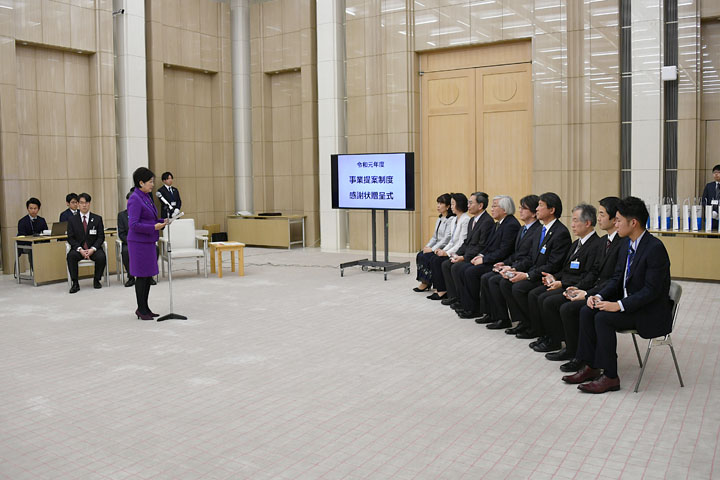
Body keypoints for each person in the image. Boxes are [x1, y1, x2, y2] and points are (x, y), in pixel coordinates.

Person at [563, 196, 672, 394]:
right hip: (631, 304)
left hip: (649, 311)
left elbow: (651, 291)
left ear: (633, 222)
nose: (616, 223)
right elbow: (616, 279)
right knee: (589, 310)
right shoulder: (627, 245)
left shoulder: (654, 248)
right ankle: (591, 365)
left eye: (619, 220)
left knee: (604, 318)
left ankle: (611, 377)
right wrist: (599, 296)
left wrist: (619, 305)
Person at [547, 197, 623, 371]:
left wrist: (588, 293)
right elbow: (595, 272)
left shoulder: (621, 243)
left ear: (614, 218)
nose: (599, 218)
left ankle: (580, 355)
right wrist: (580, 288)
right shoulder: (605, 241)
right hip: (596, 289)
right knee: (561, 302)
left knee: (572, 308)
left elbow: (614, 279)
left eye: (602, 214)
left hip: (610, 294)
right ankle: (575, 351)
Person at [524, 203, 603, 353]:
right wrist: (553, 277)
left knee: (548, 300)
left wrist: (562, 283)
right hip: (566, 282)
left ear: (587, 223)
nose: (572, 225)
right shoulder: (576, 244)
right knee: (537, 294)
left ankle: (558, 341)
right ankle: (549, 335)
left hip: (578, 287)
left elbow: (588, 275)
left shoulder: (596, 245)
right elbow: (565, 269)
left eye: (575, 220)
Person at [499, 192, 572, 337]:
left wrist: (527, 275)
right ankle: (525, 322)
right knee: (506, 282)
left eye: (540, 206)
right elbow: (531, 258)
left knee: (521, 288)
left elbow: (554, 264)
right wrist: (515, 269)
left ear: (552, 210)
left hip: (549, 276)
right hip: (535, 271)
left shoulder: (560, 232)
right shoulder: (540, 230)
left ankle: (536, 327)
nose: (537, 209)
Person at [480, 195, 542, 329]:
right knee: (488, 277)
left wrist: (513, 267)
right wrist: (505, 264)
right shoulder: (522, 228)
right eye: (520, 207)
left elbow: (530, 257)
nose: (519, 210)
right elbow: (515, 253)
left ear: (533, 212)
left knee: (498, 281)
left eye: (523, 208)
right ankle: (496, 315)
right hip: (517, 265)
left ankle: (512, 319)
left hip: (526, 268)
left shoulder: (537, 230)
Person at [454, 195, 521, 319]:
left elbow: (504, 251)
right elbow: (489, 245)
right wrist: (480, 256)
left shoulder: (511, 224)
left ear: (505, 209)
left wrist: (484, 259)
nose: (492, 209)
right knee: (462, 268)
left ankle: (475, 309)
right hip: (492, 259)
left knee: (471, 272)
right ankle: (469, 305)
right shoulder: (499, 223)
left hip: (500, 261)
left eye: (495, 206)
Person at [440, 192, 494, 307]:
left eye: (471, 203)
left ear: (480, 206)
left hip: (477, 256)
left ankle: (467, 302)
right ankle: (455, 297)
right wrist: (456, 254)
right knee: (447, 264)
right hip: (468, 253)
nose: (468, 205)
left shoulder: (487, 221)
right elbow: (466, 243)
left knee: (458, 267)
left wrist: (464, 257)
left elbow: (481, 246)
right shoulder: (472, 220)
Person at [128, 167, 168, 320]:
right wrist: (153, 227)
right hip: (139, 243)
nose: (152, 185)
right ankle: (141, 309)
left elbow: (149, 218)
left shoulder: (146, 196)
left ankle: (146, 308)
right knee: (141, 276)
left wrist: (161, 222)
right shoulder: (134, 198)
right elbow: (134, 224)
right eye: (150, 182)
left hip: (148, 241)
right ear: (141, 182)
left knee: (147, 276)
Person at [426, 193, 470, 301]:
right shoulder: (455, 220)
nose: (451, 207)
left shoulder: (466, 220)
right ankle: (440, 289)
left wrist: (447, 253)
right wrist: (443, 250)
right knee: (435, 258)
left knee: (440, 261)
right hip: (452, 249)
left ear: (459, 205)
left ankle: (443, 291)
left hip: (460, 251)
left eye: (453, 204)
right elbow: (451, 241)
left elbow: (461, 242)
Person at [414, 193, 455, 292]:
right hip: (436, 246)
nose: (438, 206)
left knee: (430, 257)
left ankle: (434, 283)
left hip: (444, 247)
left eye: (441, 203)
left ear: (448, 206)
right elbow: (434, 237)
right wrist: (427, 247)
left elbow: (446, 239)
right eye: (438, 203)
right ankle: (425, 282)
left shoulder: (451, 219)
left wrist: (432, 249)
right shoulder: (440, 218)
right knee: (420, 255)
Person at [66, 193, 106, 293]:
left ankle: (97, 280)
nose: (84, 205)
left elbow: (101, 237)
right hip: (79, 249)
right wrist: (80, 249)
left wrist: (93, 249)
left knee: (101, 257)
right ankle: (75, 283)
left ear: (89, 204)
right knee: (71, 256)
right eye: (82, 203)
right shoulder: (72, 220)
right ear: (78, 204)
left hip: (93, 248)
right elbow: (70, 238)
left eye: (86, 203)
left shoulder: (97, 219)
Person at [17, 197, 49, 271]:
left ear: (38, 209)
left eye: (35, 208)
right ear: (27, 209)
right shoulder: (22, 221)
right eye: (31, 208)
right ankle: (36, 272)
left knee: (49, 246)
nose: (33, 210)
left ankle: (47, 270)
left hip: (39, 243)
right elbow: (22, 236)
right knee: (33, 249)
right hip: (26, 245)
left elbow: (46, 232)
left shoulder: (41, 220)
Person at [118, 189, 135, 287]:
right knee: (126, 251)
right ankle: (131, 277)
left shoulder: (143, 213)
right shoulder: (122, 215)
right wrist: (131, 241)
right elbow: (121, 233)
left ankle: (148, 276)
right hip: (129, 242)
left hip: (141, 242)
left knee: (154, 248)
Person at [701, 164, 720, 229]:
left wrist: (717, 211)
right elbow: (704, 200)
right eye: (714, 173)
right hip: (710, 217)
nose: (716, 174)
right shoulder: (709, 186)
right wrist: (710, 211)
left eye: (718, 172)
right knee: (711, 236)